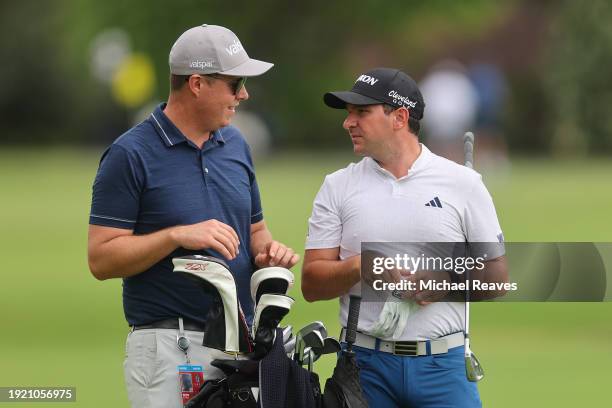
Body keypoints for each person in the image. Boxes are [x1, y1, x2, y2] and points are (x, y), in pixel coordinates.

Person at [87, 24, 298, 408]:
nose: (244, 94)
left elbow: (256, 231)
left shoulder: (236, 143)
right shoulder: (129, 155)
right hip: (170, 347)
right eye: (235, 84)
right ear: (197, 84)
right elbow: (101, 259)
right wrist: (176, 236)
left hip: (242, 345)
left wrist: (268, 251)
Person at [302, 67, 508, 407]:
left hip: (444, 366)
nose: (348, 122)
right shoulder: (337, 186)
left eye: (361, 112)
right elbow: (312, 284)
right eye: (348, 113)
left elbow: (497, 277)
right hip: (364, 367)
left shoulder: (463, 183)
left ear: (399, 117)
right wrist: (360, 267)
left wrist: (447, 281)